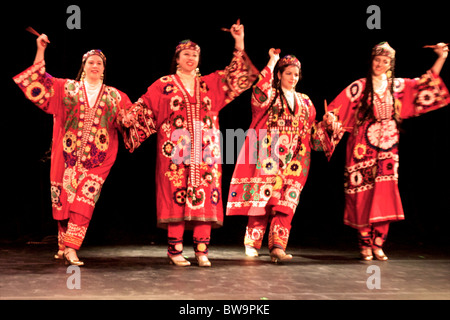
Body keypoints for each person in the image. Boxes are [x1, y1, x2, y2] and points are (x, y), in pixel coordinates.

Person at [119, 21, 258, 267]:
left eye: (195, 55)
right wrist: (130, 115)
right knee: (175, 195)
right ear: (177, 58)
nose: (191, 58)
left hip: (207, 154)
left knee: (206, 195)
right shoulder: (164, 84)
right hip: (175, 154)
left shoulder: (210, 83)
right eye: (186, 55)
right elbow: (145, 106)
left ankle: (202, 251)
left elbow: (238, 76)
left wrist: (239, 41)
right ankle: (175, 251)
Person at [13, 34, 132, 266]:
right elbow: (39, 81)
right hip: (66, 158)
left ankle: (71, 248)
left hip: (98, 161)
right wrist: (40, 50)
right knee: (64, 202)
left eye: (99, 63)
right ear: (84, 66)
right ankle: (62, 245)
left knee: (83, 202)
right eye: (91, 62)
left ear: (104, 69)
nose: (95, 66)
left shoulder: (115, 96)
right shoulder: (66, 88)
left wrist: (127, 120)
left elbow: (128, 120)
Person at [324, 42, 450, 260]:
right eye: (377, 60)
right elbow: (335, 110)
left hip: (387, 149)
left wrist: (441, 58)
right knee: (362, 194)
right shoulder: (360, 87)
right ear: (371, 60)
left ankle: (378, 243)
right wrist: (331, 119)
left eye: (385, 61)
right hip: (361, 149)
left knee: (384, 194)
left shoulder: (398, 86)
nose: (380, 64)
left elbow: (425, 85)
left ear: (391, 64)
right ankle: (364, 242)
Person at [226, 49, 342, 262]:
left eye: (296, 74)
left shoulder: (306, 102)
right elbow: (259, 89)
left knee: (286, 204)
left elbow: (313, 137)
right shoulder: (269, 96)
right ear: (279, 75)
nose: (293, 78)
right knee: (263, 201)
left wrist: (327, 125)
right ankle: (252, 243)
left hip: (296, 160)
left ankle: (278, 246)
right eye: (288, 73)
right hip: (268, 156)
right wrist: (272, 61)